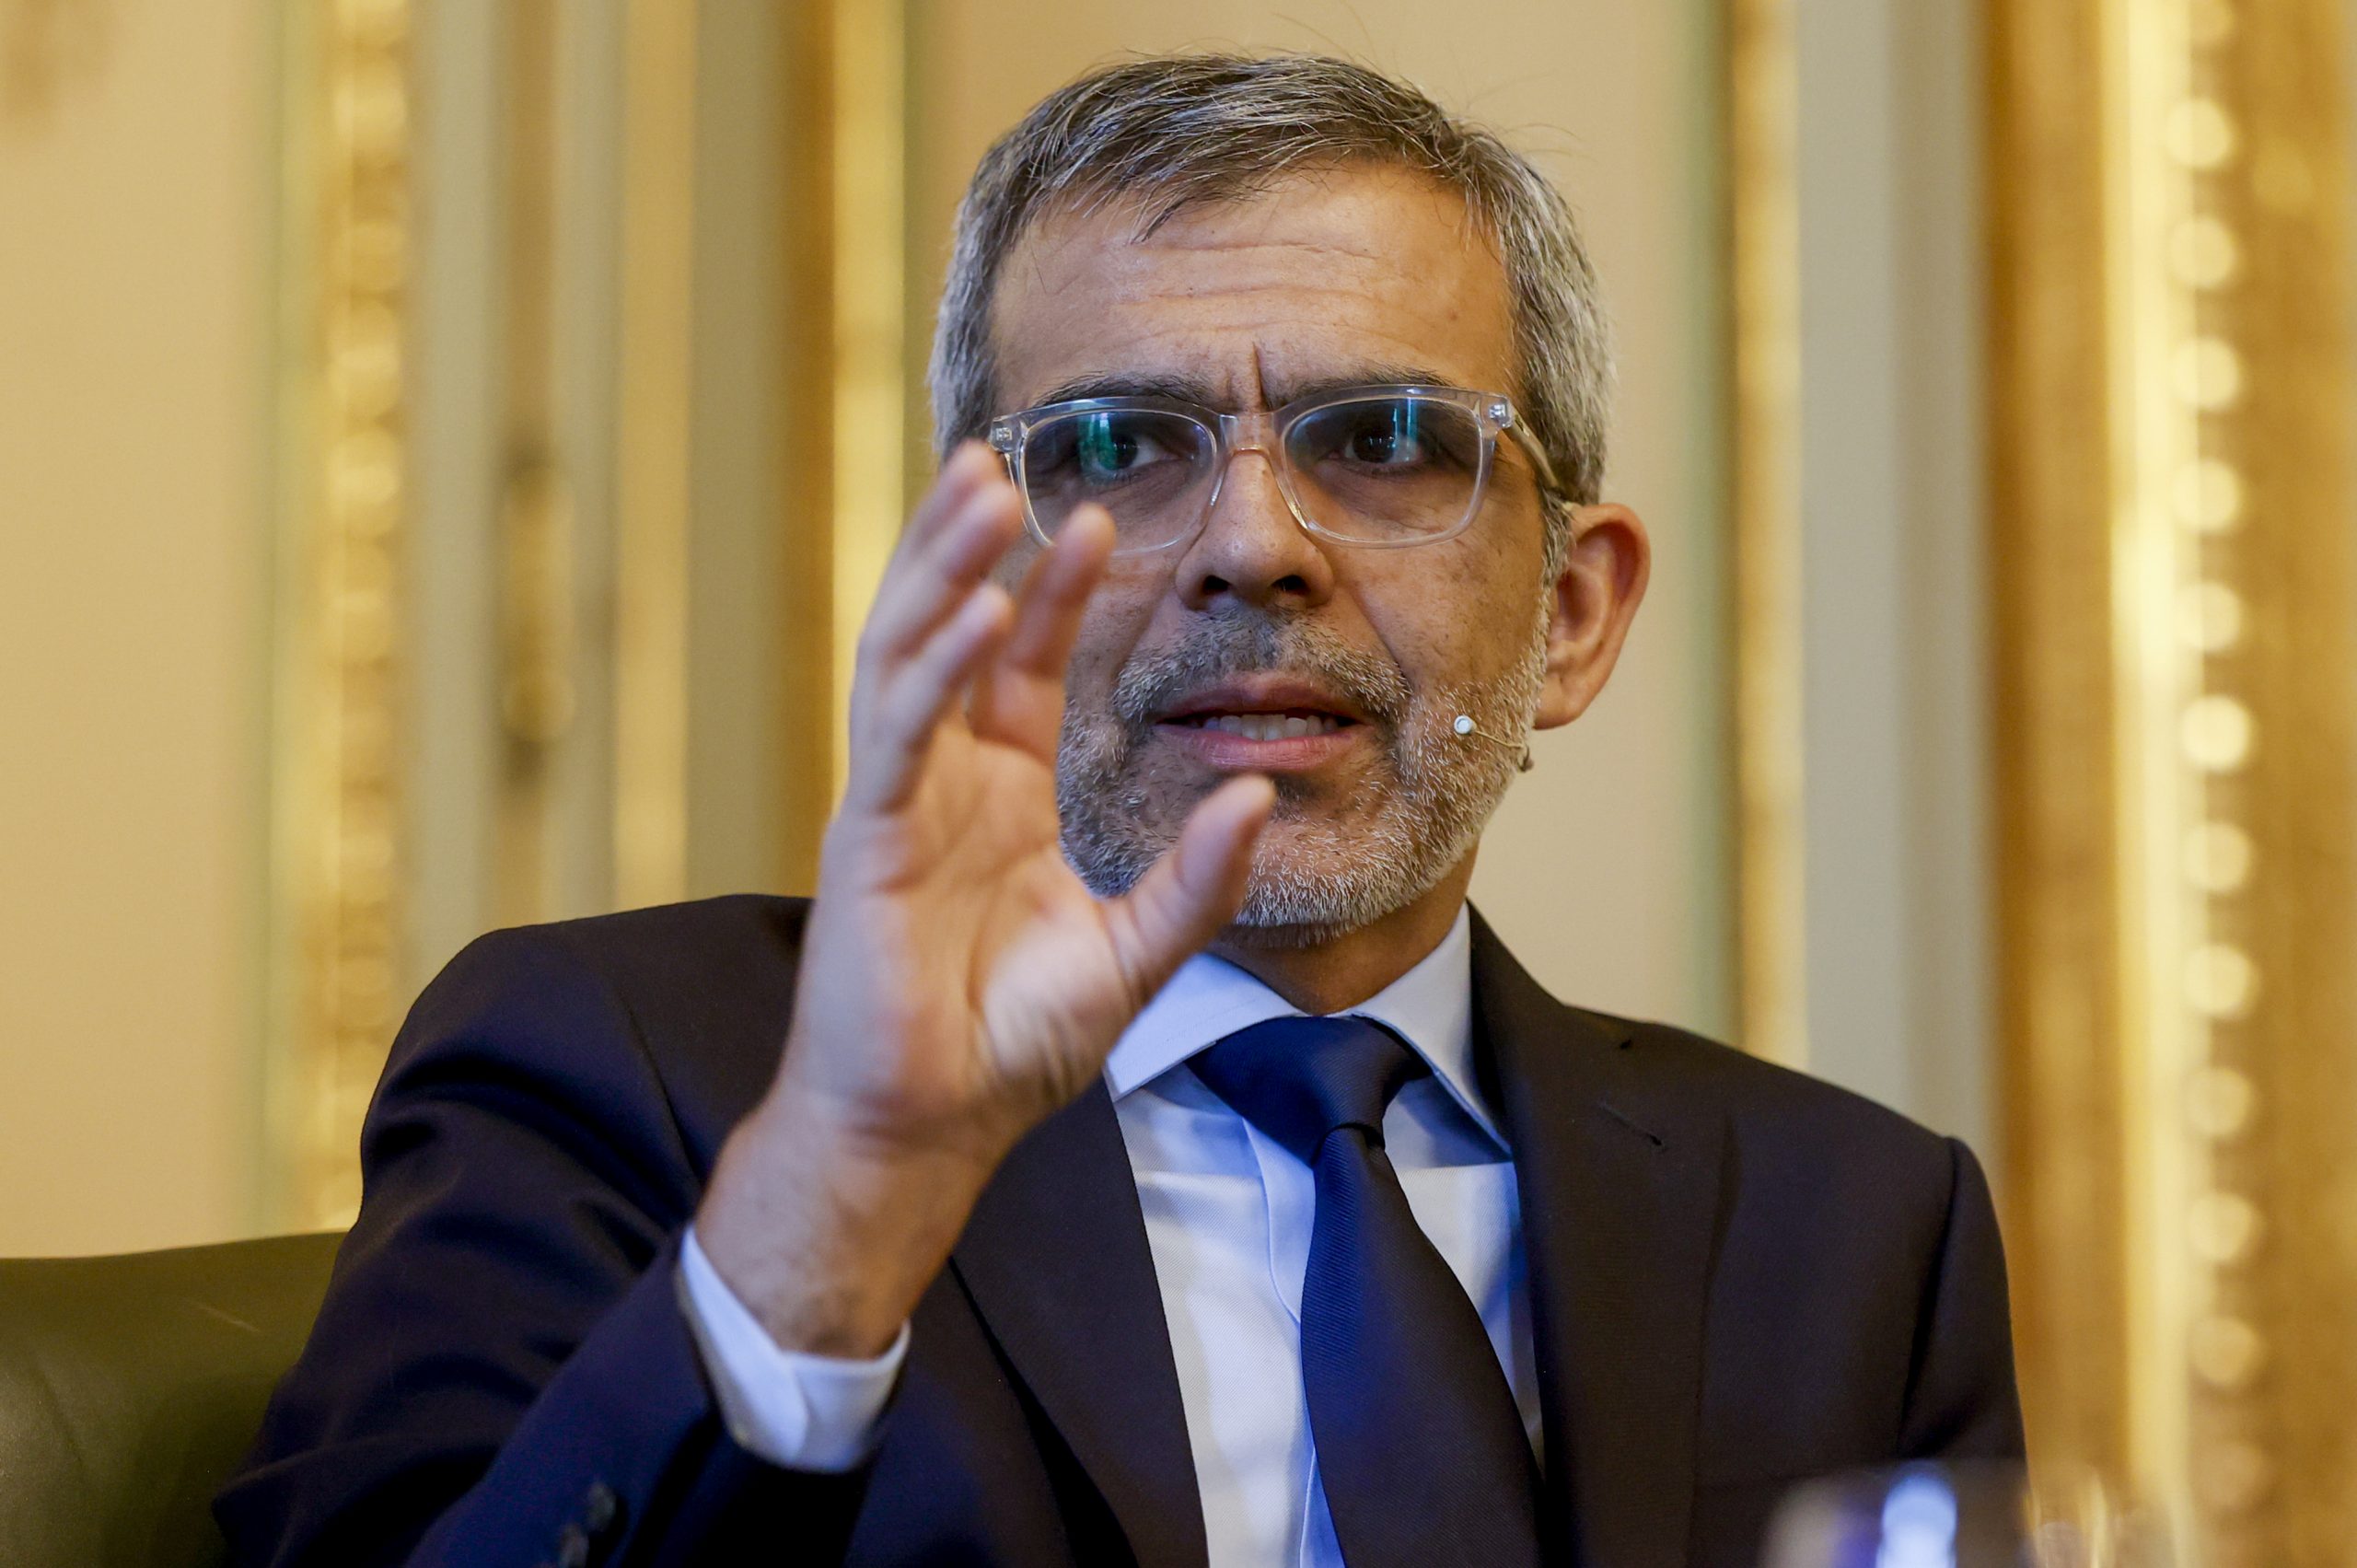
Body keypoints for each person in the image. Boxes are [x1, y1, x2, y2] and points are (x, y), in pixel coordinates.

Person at [219, 52, 2022, 1568]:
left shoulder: (1855, 1229)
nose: (1250, 546)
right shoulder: (618, 1073)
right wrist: (826, 1216)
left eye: (1383, 441)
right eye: (1115, 449)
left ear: (1571, 613)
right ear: (977, 577)